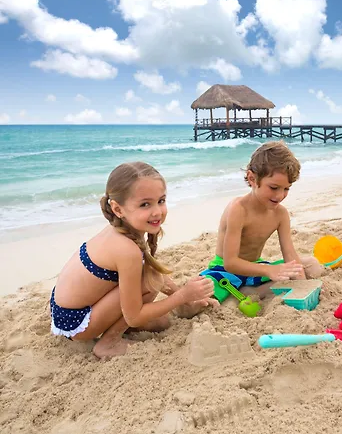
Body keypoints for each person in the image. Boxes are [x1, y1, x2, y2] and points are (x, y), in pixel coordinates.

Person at [50, 162, 216, 359]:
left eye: (161, 201)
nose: (157, 211)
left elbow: (150, 270)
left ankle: (180, 308)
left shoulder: (120, 228)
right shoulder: (126, 249)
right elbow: (135, 316)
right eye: (145, 204)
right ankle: (109, 343)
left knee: (159, 313)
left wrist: (184, 298)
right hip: (76, 322)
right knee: (149, 282)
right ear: (117, 209)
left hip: (64, 311)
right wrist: (182, 296)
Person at [200, 141, 324, 304]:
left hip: (255, 268)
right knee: (197, 301)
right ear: (252, 178)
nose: (280, 196)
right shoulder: (238, 210)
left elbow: (290, 255)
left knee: (312, 265)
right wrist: (269, 270)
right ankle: (248, 290)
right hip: (224, 271)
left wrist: (301, 285)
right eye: (274, 188)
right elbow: (230, 263)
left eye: (286, 188)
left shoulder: (280, 214)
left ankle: (252, 292)